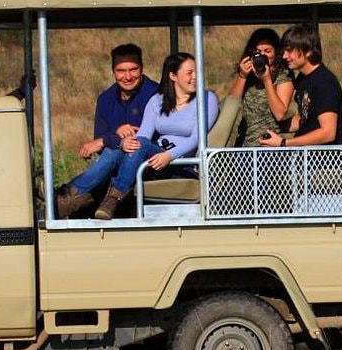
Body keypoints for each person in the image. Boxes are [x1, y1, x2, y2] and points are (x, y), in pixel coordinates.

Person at [55, 52, 219, 221]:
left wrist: (169, 155)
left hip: (178, 164)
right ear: (173, 75)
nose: (195, 77)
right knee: (121, 147)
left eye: (197, 72)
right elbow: (144, 135)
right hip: (152, 162)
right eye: (189, 73)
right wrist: (125, 144)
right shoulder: (157, 100)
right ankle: (92, 199)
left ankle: (77, 197)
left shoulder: (207, 99)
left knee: (133, 144)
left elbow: (196, 138)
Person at [258, 22, 342, 148]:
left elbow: (328, 133)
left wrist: (284, 143)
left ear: (308, 51)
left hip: (323, 159)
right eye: (284, 51)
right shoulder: (303, 79)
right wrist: (272, 127)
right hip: (305, 155)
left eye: (289, 51)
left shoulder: (324, 83)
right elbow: (304, 119)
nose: (284, 56)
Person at [77, 43, 160, 164]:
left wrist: (107, 141)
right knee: (113, 151)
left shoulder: (156, 94)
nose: (128, 77)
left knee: (116, 150)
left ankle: (76, 184)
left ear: (141, 69)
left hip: (151, 165)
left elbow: (155, 137)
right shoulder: (105, 99)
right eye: (121, 71)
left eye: (133, 70)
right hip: (115, 166)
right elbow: (99, 143)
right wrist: (116, 137)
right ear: (113, 72)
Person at [226, 27, 293, 147]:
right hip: (244, 145)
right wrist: (242, 76)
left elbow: (280, 114)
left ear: (276, 52)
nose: (263, 56)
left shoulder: (282, 76)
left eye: (267, 51)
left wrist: (267, 80)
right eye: (258, 52)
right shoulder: (249, 75)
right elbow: (231, 105)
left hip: (268, 147)